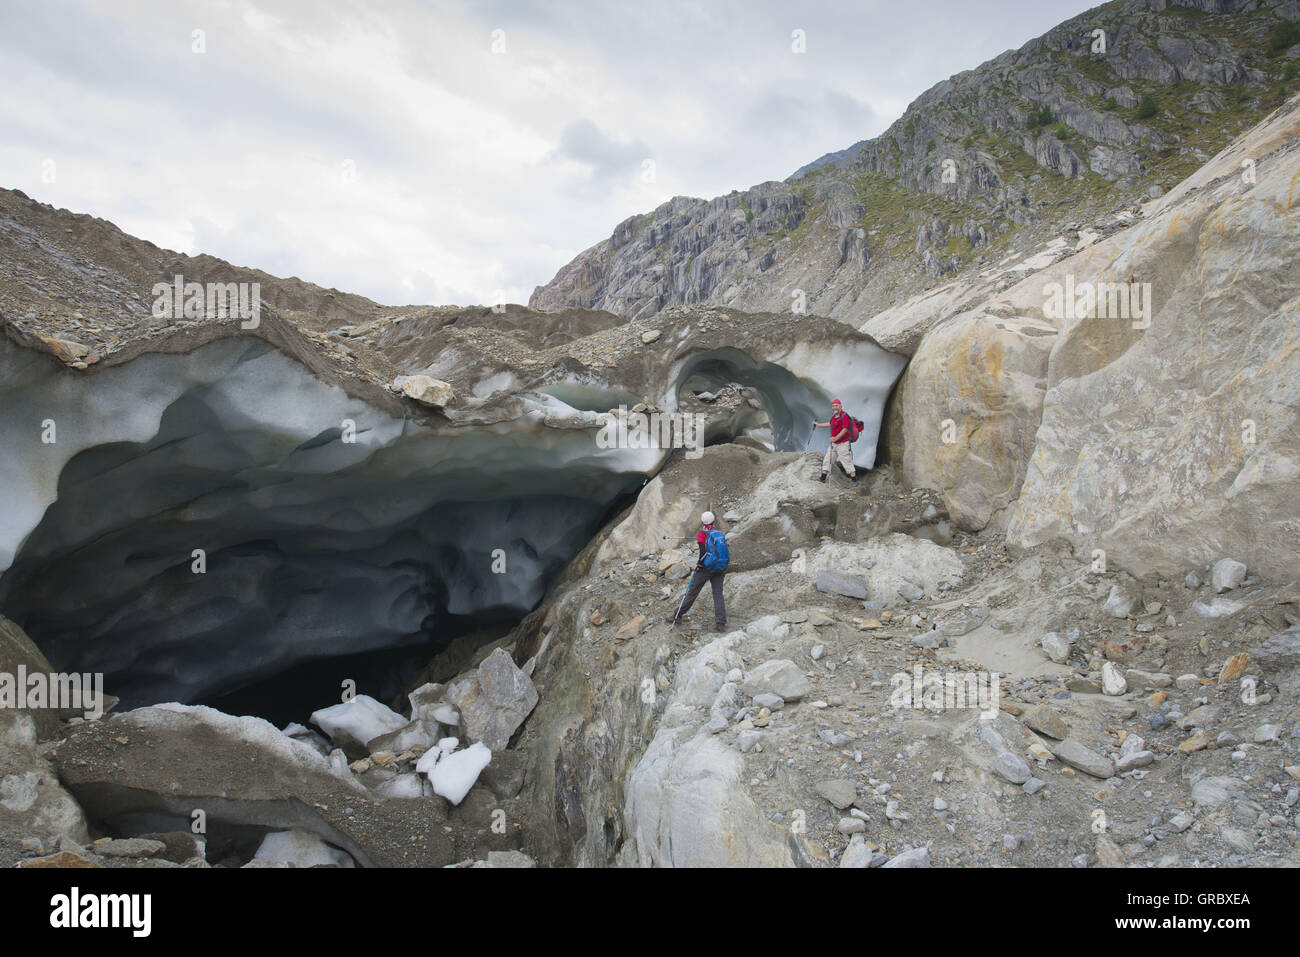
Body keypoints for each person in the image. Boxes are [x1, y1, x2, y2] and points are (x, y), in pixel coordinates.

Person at [666, 511, 728, 631]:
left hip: (706, 568)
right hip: (720, 567)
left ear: (702, 522)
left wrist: (698, 565)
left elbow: (703, 553)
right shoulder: (719, 533)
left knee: (692, 591)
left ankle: (677, 615)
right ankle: (721, 623)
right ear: (713, 520)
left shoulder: (702, 534)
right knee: (718, 594)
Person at [812, 398, 858, 486]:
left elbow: (845, 429)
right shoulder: (834, 416)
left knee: (846, 461)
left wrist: (835, 438)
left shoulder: (844, 416)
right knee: (827, 459)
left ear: (840, 406)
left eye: (836, 405)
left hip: (843, 444)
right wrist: (818, 425)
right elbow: (830, 424)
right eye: (833, 406)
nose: (834, 407)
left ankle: (854, 480)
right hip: (834, 444)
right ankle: (822, 478)